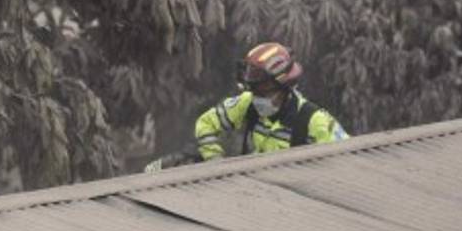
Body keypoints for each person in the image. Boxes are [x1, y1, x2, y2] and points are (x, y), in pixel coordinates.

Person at [145, 42, 348, 171]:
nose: (256, 98)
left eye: (263, 93)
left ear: (283, 88)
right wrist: (215, 162)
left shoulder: (315, 121)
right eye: (254, 92)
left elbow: (351, 160)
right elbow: (206, 123)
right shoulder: (247, 102)